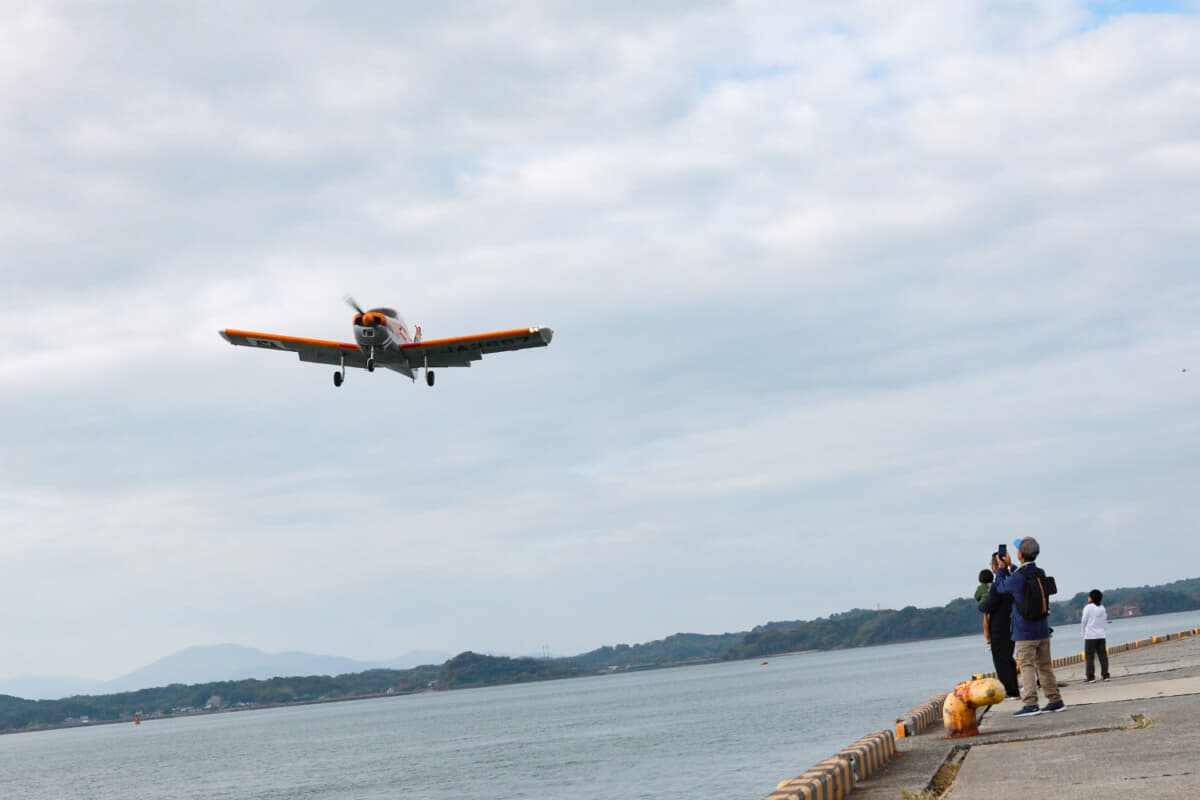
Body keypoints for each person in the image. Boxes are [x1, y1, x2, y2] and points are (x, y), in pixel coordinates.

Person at [994, 536, 1065, 716]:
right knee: (1044, 666)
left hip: (1024, 632)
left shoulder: (1017, 578)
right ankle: (1055, 700)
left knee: (1027, 666)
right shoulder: (1040, 572)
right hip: (1042, 629)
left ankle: (1031, 704)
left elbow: (1001, 587)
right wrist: (1011, 566)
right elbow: (1023, 575)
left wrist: (1001, 569)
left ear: (1019, 554)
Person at [978, 554, 1021, 698]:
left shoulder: (998, 584)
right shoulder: (1013, 578)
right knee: (1008, 658)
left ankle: (1010, 690)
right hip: (1012, 625)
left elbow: (990, 605)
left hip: (999, 627)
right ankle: (1013, 688)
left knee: (1001, 661)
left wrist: (981, 606)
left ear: (995, 566)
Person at [1082, 589, 1110, 683]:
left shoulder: (1088, 607)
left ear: (1091, 598)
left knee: (1089, 656)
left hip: (1090, 635)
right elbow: (1104, 621)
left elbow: (1084, 621)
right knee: (1103, 655)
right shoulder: (1102, 608)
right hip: (1101, 635)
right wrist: (1104, 632)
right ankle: (1105, 675)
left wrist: (1083, 632)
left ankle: (1090, 677)